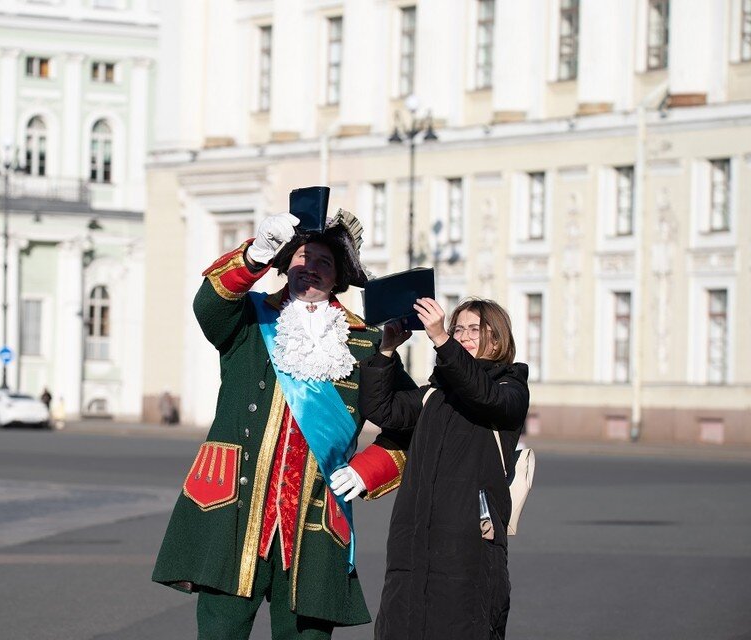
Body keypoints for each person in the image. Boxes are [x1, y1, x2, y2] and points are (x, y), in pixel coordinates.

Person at [152, 192, 412, 640]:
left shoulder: (368, 342)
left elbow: (407, 424)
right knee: (220, 631)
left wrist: (370, 471)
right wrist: (253, 254)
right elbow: (208, 306)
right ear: (285, 263)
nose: (310, 267)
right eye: (301, 257)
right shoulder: (250, 319)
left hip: (315, 518)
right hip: (233, 505)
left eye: (324, 262)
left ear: (340, 278)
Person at [358, 297, 530, 640]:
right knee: (405, 625)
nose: (464, 335)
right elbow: (381, 409)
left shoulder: (510, 387)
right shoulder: (435, 394)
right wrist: (387, 352)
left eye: (475, 329)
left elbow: (485, 397)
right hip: (415, 536)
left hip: (470, 538)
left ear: (497, 338)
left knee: (463, 626)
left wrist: (442, 341)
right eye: (458, 328)